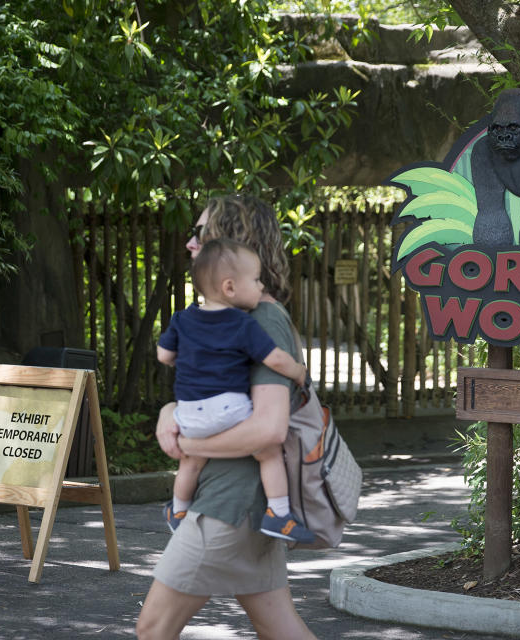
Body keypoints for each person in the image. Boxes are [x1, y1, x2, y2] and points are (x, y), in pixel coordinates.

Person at [136, 195, 317, 640]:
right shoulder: (233, 319)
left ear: (230, 243)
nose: (190, 244)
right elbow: (218, 398)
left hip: (229, 505)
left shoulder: (262, 319)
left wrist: (189, 445)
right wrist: (170, 409)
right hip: (242, 502)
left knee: (153, 628)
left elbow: (268, 428)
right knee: (278, 626)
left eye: (201, 233)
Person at [157, 237, 315, 544]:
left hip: (189, 412)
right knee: (268, 452)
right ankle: (279, 514)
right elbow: (276, 360)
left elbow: (164, 356)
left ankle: (177, 511)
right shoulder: (243, 324)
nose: (260, 287)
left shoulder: (182, 318)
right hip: (229, 410)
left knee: (189, 462)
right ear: (230, 288)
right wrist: (299, 371)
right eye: (255, 280)